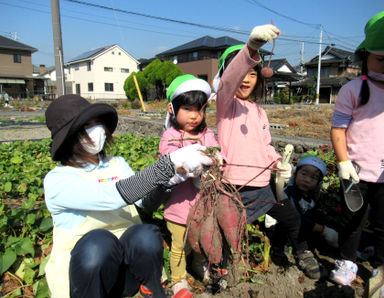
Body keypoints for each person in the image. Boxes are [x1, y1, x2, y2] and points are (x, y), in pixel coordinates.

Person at [43, 94, 213, 298]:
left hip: (126, 270)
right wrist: (166, 165)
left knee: (146, 234)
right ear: (70, 137)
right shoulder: (59, 180)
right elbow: (113, 195)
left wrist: (170, 180)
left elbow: (146, 203)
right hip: (86, 278)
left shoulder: (117, 164)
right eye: (86, 125)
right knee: (99, 243)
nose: (96, 129)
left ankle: (150, 290)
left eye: (97, 122)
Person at [214, 24, 321, 279]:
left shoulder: (260, 112)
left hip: (263, 186)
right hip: (234, 187)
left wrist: (277, 163)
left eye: (253, 73)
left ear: (259, 77)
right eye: (243, 72)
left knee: (292, 218)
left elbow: (265, 145)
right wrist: (251, 48)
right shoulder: (225, 103)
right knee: (229, 233)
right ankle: (221, 271)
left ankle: (301, 252)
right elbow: (229, 80)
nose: (246, 78)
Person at [330, 11, 384, 286]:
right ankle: (347, 261)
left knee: (382, 224)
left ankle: (378, 264)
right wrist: (344, 162)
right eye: (381, 59)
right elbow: (338, 129)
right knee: (353, 221)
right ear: (366, 57)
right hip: (356, 172)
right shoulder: (353, 89)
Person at [159, 74, 220, 294]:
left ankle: (198, 264)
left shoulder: (206, 134)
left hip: (204, 204)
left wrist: (215, 161)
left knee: (201, 240)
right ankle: (177, 278)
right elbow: (169, 162)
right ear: (171, 108)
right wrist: (188, 167)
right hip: (178, 206)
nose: (195, 116)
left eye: (200, 110)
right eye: (188, 109)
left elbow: (216, 153)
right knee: (179, 245)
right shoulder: (170, 136)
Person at [272, 155, 339, 259]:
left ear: (319, 182)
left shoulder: (312, 198)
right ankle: (280, 249)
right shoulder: (288, 194)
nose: (307, 180)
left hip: (302, 232)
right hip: (286, 232)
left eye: (314, 177)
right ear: (295, 174)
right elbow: (296, 218)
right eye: (304, 174)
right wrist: (323, 230)